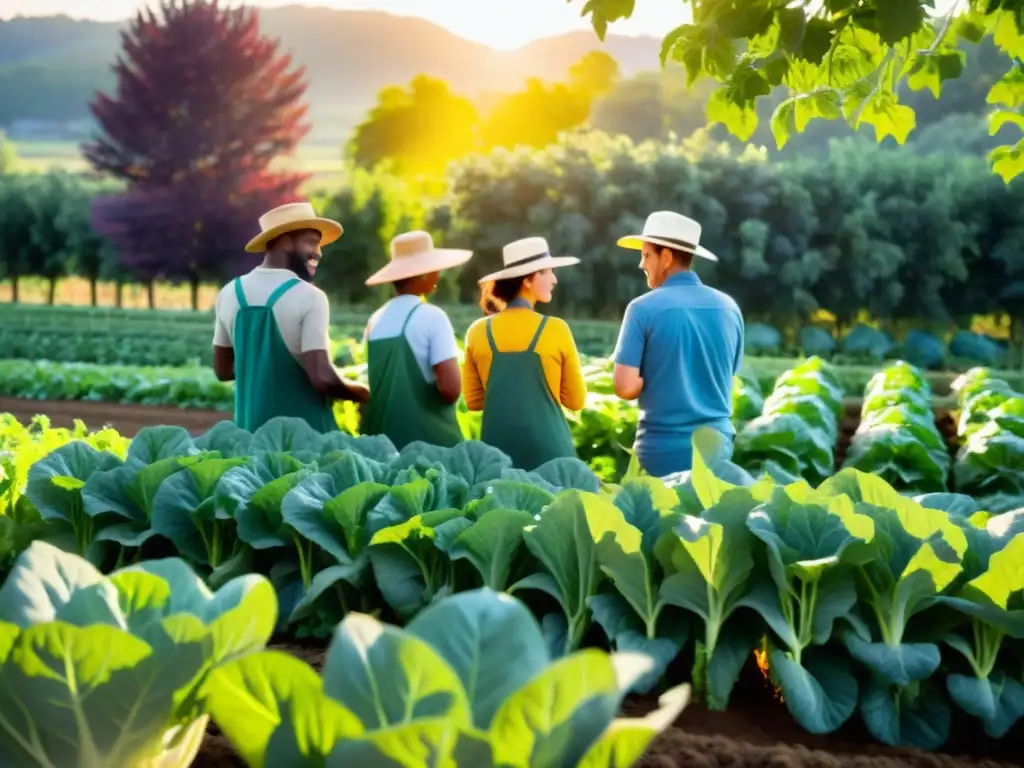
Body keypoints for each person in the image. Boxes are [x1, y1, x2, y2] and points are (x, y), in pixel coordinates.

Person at [212, 201, 369, 433]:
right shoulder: (310, 296)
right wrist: (360, 392)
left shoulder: (229, 293)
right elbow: (322, 378)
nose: (318, 252)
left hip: (250, 433)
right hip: (306, 436)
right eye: (312, 243)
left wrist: (263, 371)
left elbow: (223, 370)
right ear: (285, 241)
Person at [612, 210, 744, 478]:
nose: (641, 264)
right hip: (717, 448)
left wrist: (650, 377)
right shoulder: (729, 307)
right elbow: (727, 372)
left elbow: (625, 386)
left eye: (646, 255)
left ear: (667, 257)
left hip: (662, 449)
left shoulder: (642, 309)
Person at [462, 236, 586, 470]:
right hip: (551, 455)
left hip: (497, 456)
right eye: (548, 272)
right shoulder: (556, 329)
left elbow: (474, 402)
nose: (555, 279)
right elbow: (576, 400)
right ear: (528, 280)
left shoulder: (478, 332)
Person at [361, 231, 472, 450]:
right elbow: (450, 389)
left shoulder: (375, 320)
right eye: (434, 269)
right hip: (430, 441)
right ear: (422, 274)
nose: (438, 274)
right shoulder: (432, 316)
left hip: (385, 444)